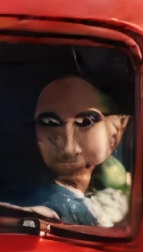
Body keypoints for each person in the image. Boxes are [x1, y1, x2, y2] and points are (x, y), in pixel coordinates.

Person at [24, 74, 132, 227]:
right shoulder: (42, 204)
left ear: (114, 135)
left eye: (85, 122)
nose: (68, 148)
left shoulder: (113, 199)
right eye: (50, 123)